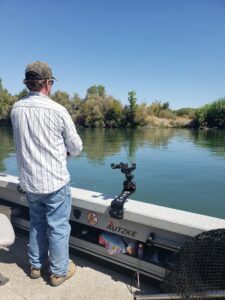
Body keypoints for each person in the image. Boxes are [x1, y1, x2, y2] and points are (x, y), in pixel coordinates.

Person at [10, 61, 83, 286]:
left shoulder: (16, 108)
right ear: (47, 84)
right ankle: (59, 272)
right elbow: (77, 147)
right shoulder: (58, 110)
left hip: (30, 182)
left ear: (28, 84)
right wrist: (65, 153)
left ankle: (36, 266)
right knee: (58, 226)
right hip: (55, 183)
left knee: (37, 223)